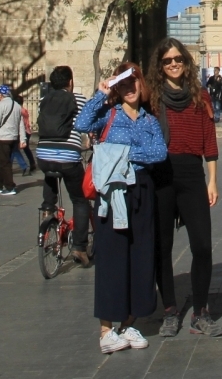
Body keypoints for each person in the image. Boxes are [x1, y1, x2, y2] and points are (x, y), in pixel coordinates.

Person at [75, 62, 167, 354]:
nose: (129, 89)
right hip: (112, 194)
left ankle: (129, 322)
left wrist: (120, 155)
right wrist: (100, 94)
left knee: (141, 255)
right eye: (123, 85)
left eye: (133, 83)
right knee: (112, 256)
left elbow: (159, 152)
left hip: (141, 189)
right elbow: (82, 124)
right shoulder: (108, 115)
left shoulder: (149, 120)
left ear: (142, 85)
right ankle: (106, 330)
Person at [147, 39, 222, 337]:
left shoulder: (199, 95)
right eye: (167, 60)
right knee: (161, 247)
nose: (174, 64)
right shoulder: (151, 97)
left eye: (178, 59)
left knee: (202, 245)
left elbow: (209, 139)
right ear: (160, 65)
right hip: (161, 175)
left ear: (186, 61)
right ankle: (169, 310)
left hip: (192, 174)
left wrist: (213, 179)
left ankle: (201, 311)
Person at [37, 67, 92, 264]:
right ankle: (79, 247)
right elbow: (86, 123)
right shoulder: (78, 99)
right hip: (68, 157)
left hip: (43, 155)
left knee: (50, 172)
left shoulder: (44, 100)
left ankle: (47, 209)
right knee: (80, 200)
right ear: (70, 82)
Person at [0, 85, 25, 196]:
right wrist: (23, 139)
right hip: (13, 138)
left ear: (1, 95)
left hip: (3, 138)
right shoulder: (16, 105)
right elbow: (20, 123)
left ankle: (10, 187)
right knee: (4, 162)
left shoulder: (0, 105)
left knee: (4, 163)